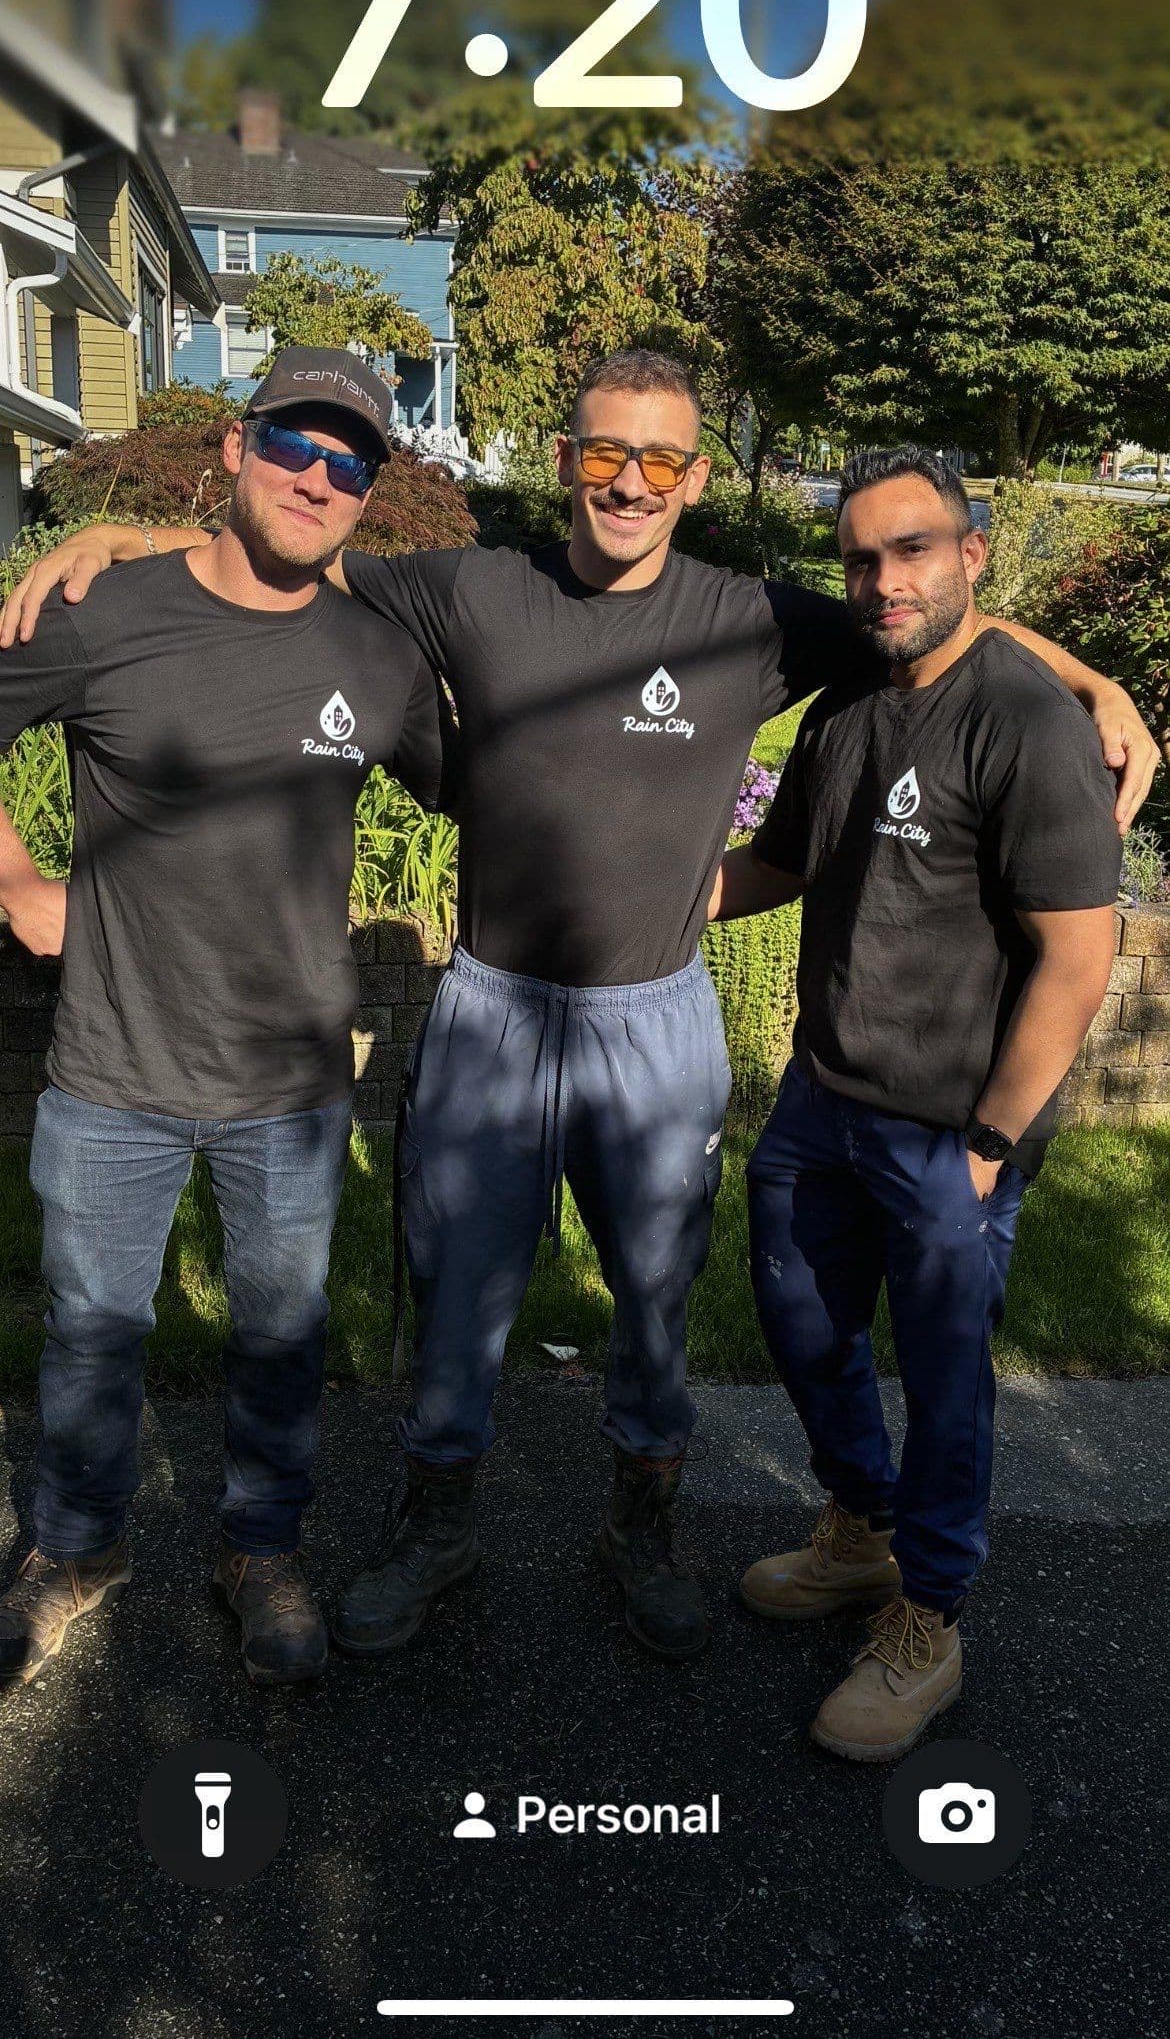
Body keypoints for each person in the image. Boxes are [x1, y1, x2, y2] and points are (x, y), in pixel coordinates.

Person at [4, 357, 1156, 1667]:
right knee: (457, 1292)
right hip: (493, 1009)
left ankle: (641, 1528)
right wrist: (128, 533)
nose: (630, 481)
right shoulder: (473, 584)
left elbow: (933, 619)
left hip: (651, 1021)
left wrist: (1085, 679)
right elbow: (284, 557)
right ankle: (435, 1529)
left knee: (655, 1291)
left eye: (662, 461)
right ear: (564, 459)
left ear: (696, 479)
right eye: (607, 453)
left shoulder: (753, 617)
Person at [0, 349, 450, 1691]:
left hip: (290, 1081)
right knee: (90, 1326)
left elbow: (500, 785)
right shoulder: (108, 608)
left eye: (349, 462)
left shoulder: (378, 659)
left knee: (280, 1333)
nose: (316, 478)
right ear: (236, 447)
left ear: (370, 491)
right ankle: (75, 1550)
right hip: (113, 1064)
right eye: (293, 447)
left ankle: (260, 1549)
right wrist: (19, 884)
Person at [709, 446, 1123, 1758]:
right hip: (820, 1104)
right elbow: (775, 867)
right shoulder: (843, 711)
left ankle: (927, 1618)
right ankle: (859, 1529)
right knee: (799, 1319)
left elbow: (1077, 950)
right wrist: (623, 902)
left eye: (912, 550)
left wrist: (992, 1148)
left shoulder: (1022, 721)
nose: (884, 579)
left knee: (945, 1381)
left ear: (968, 557)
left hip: (953, 1131)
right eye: (861, 558)